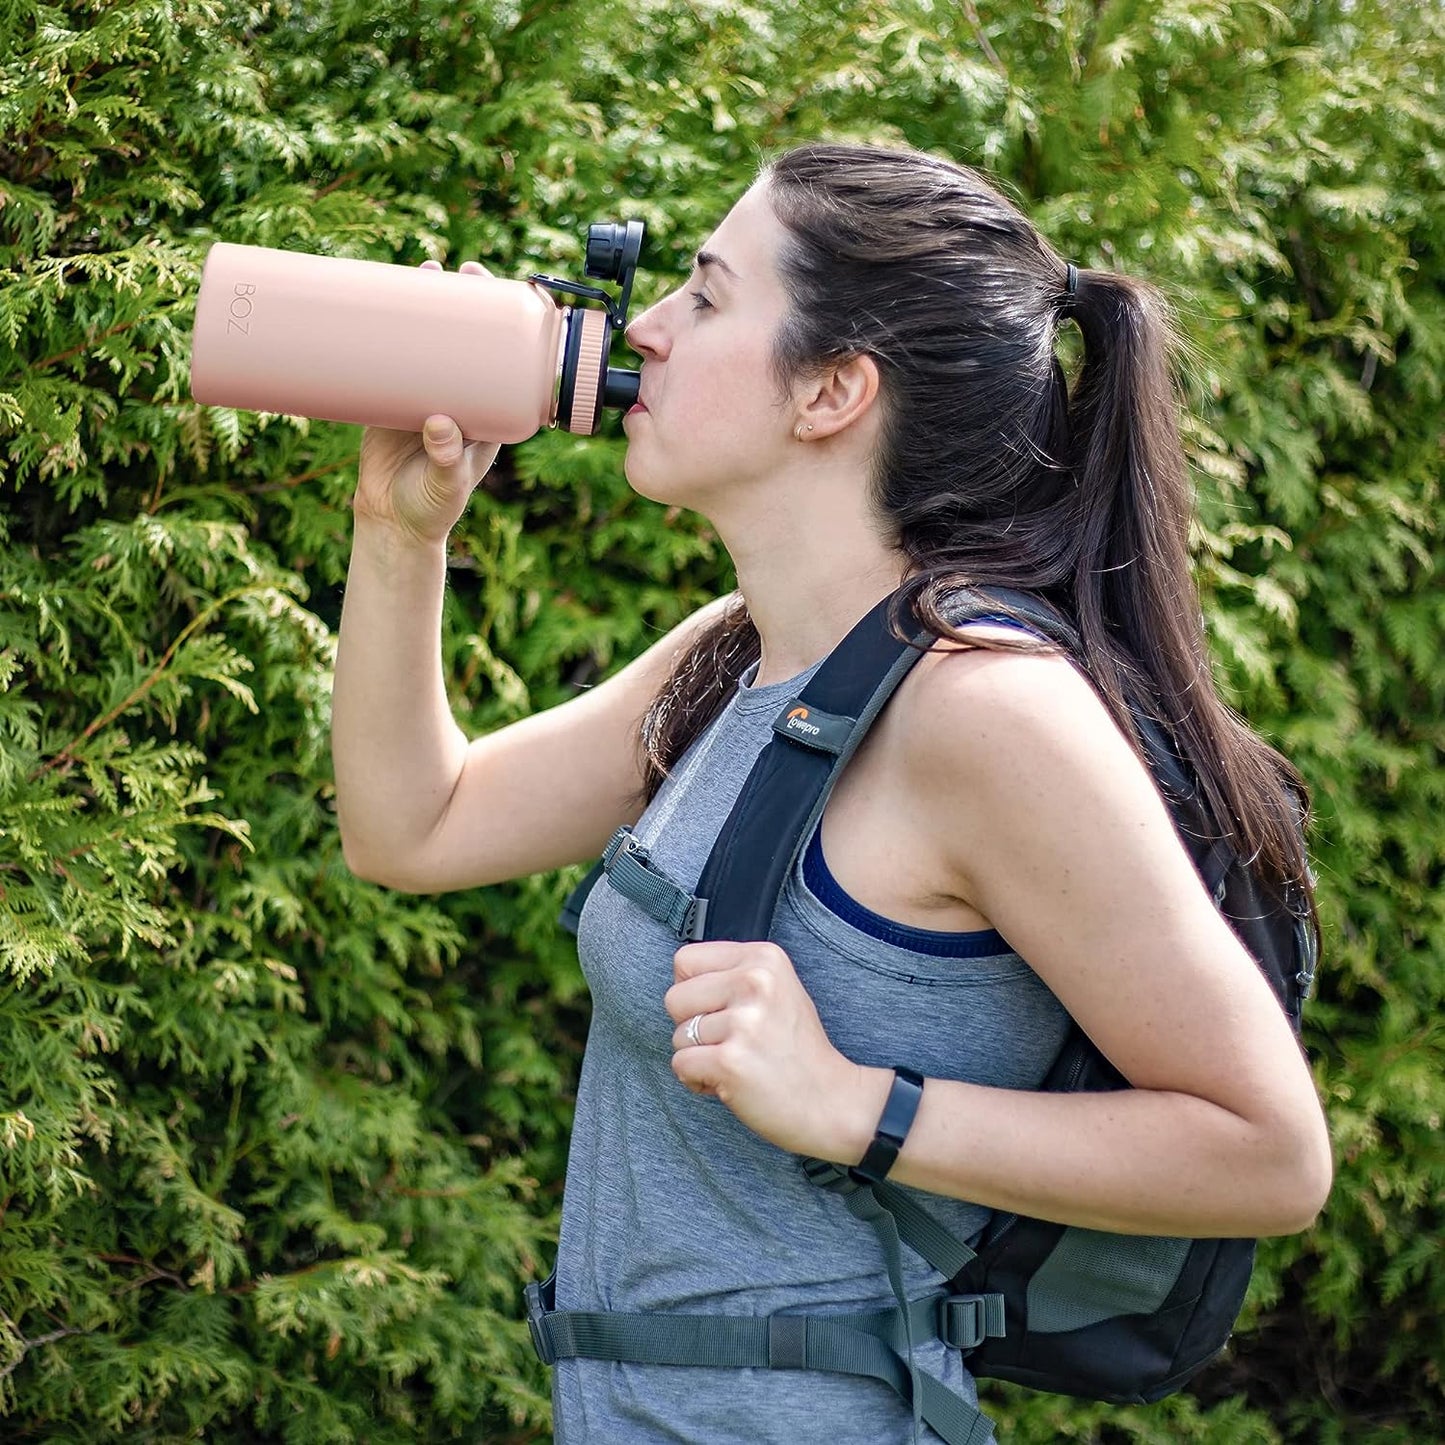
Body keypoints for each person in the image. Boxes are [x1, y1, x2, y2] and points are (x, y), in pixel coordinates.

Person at [331, 142, 1333, 1443]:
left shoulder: (984, 714)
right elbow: (416, 826)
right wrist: (400, 534)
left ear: (831, 390)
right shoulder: (743, 648)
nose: (644, 327)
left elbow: (1267, 1151)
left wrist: (859, 1106)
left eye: (701, 294)